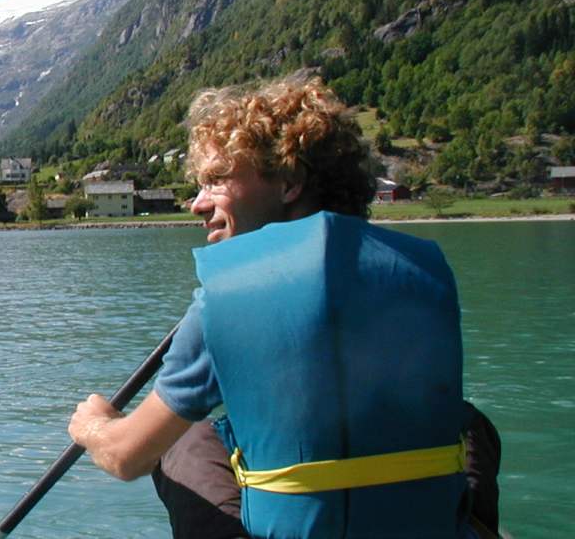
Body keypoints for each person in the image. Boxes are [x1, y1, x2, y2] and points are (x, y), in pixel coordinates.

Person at [67, 75, 500, 538]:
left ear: (289, 182)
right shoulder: (423, 268)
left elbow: (127, 457)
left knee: (186, 441)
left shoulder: (230, 291)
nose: (196, 204)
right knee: (471, 423)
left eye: (216, 180)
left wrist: (95, 426)